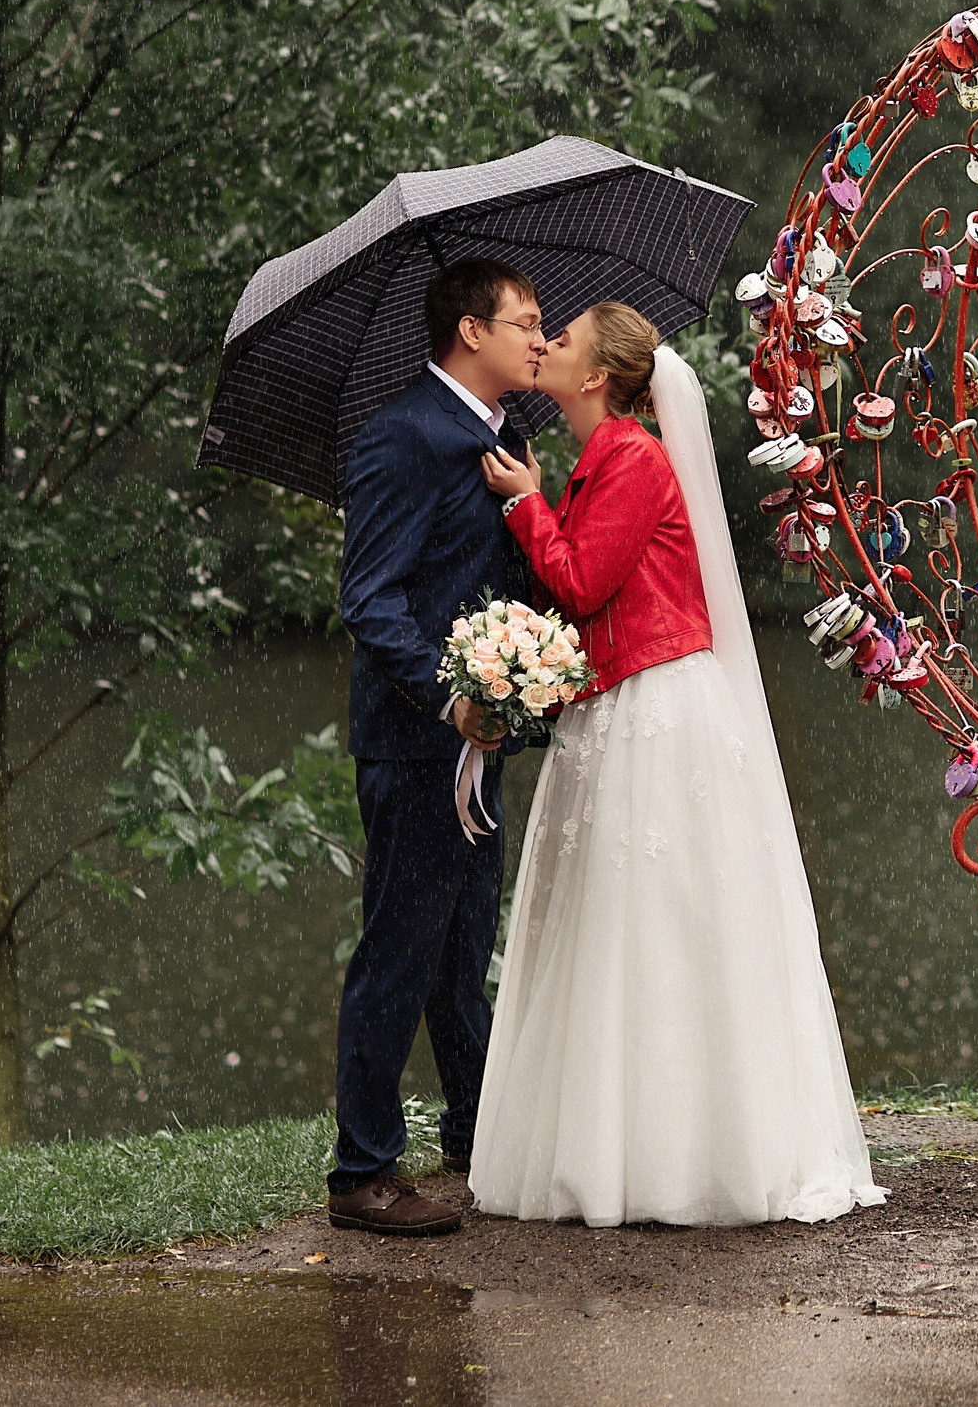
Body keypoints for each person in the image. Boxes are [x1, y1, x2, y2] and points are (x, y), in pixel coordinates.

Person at [469, 302, 886, 1226]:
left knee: (661, 925)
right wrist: (542, 498)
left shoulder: (632, 458)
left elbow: (580, 582)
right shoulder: (594, 461)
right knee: (620, 928)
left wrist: (524, 505)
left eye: (563, 339)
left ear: (595, 378)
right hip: (616, 705)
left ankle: (688, 1153)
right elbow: (574, 584)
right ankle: (617, 1145)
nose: (547, 345)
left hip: (658, 708)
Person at [327, 256, 546, 1238]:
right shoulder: (401, 436)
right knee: (397, 956)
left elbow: (502, 582)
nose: (540, 340)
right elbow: (369, 597)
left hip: (482, 741)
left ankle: (476, 1135)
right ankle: (363, 1174)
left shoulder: (510, 436)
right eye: (526, 322)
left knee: (462, 955)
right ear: (471, 332)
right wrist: (446, 700)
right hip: (419, 745)